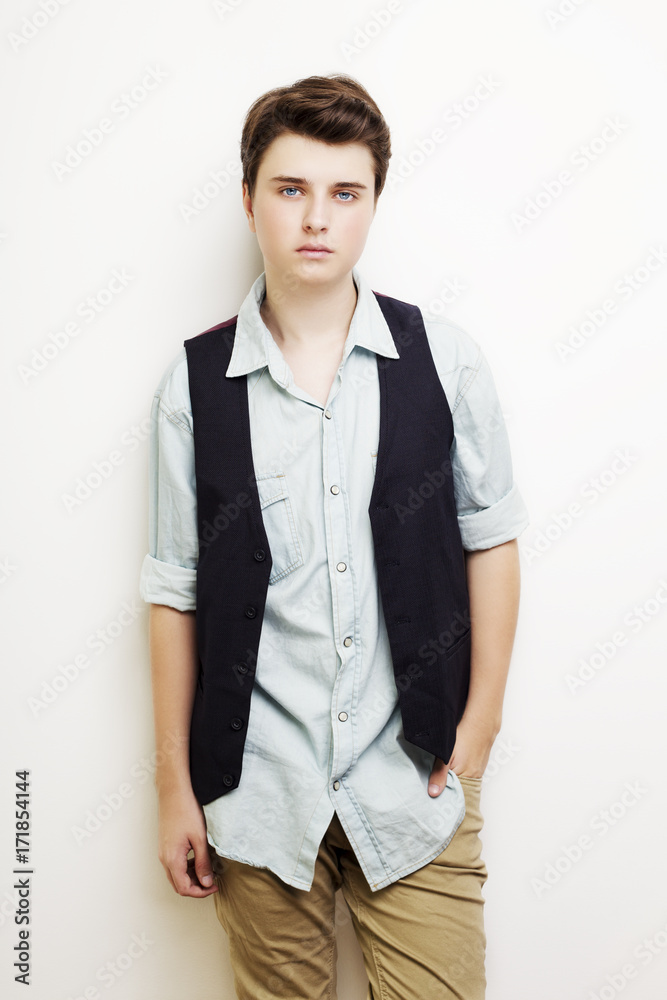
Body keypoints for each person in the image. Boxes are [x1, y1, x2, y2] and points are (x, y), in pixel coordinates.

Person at [139, 72, 530, 1000]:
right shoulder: (192, 387)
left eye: (343, 193)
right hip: (256, 796)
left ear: (371, 206)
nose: (316, 218)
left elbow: (493, 538)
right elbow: (174, 592)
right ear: (249, 201)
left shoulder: (445, 357)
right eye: (290, 189)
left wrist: (480, 723)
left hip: (414, 789)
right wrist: (173, 788)